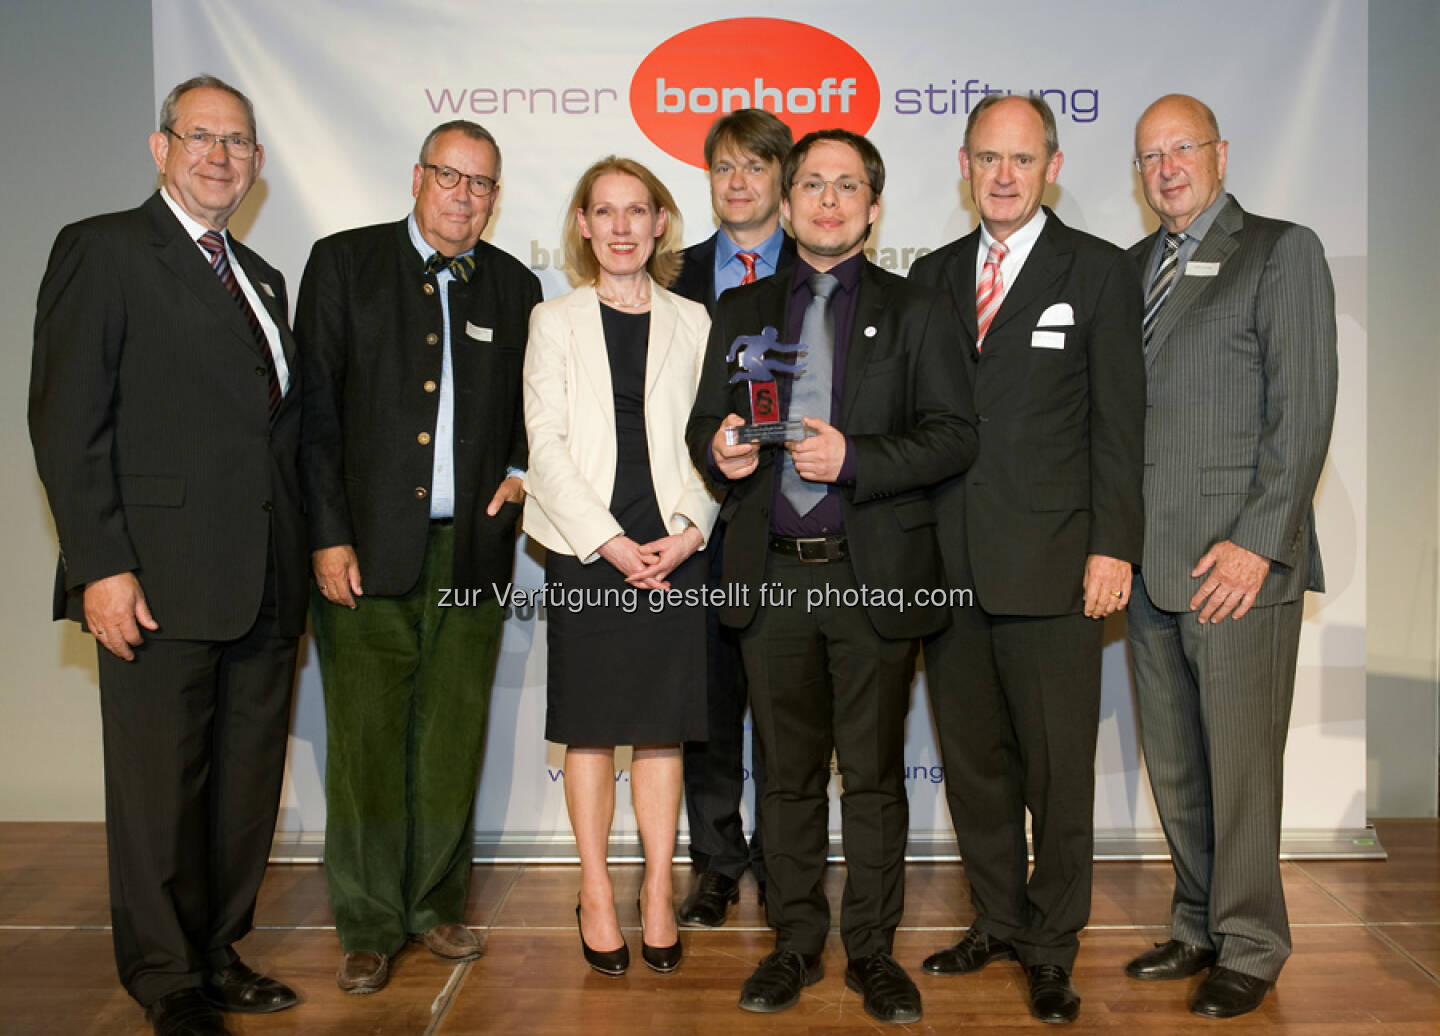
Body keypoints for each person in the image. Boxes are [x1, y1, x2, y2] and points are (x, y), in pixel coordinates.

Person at [29, 75, 304, 1036]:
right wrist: (99, 565)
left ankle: (218, 953)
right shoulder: (103, 251)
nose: (220, 156)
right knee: (158, 788)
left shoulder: (263, 278)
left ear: (258, 164)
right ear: (161, 148)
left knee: (239, 789)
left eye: (237, 142)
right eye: (201, 137)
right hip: (154, 577)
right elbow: (67, 426)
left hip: (264, 581)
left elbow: (275, 436)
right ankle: (163, 976)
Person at [686, 129, 977, 1024]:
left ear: (873, 206)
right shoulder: (740, 310)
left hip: (871, 574)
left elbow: (953, 435)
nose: (826, 200)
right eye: (811, 183)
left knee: (877, 778)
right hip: (769, 576)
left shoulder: (919, 307)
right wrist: (720, 450)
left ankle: (876, 954)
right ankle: (796, 945)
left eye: (846, 186)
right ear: (785, 196)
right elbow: (706, 421)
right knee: (785, 777)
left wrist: (856, 456)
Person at [908, 94, 1145, 1024]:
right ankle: (998, 921)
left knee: (1056, 773)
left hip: (1054, 567)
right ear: (965, 166)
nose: (1003, 176)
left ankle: (1052, 946)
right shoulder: (929, 276)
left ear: (1051, 166)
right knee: (976, 767)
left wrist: (1113, 545)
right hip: (948, 566)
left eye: (1022, 159)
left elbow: (1121, 425)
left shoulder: (1098, 270)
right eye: (987, 159)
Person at [296, 120, 541, 994]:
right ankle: (367, 923)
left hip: (471, 554)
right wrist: (326, 535)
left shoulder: (514, 285)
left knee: (449, 738)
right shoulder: (343, 264)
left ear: (495, 197)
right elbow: (314, 416)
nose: (464, 197)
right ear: (417, 178)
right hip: (360, 554)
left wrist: (518, 472)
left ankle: (435, 908)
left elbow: (532, 409)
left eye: (481, 185)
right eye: (450, 177)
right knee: (364, 741)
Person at [1122, 93, 1337, 1019]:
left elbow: (1305, 413)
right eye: (1150, 156)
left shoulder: (1282, 251)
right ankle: (1200, 922)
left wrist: (1257, 545)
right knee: (1175, 763)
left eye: (1182, 149)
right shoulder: (1128, 270)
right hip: (1146, 564)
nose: (1167, 167)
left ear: (1219, 153)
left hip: (1237, 568)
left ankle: (1252, 943)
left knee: (1241, 765)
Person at [522, 156, 718, 978]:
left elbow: (718, 437)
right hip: (585, 547)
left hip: (673, 545)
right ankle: (598, 890)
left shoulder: (697, 321)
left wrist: (690, 529)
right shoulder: (553, 321)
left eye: (637, 211)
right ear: (582, 226)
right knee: (594, 729)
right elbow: (547, 446)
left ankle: (660, 891)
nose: (622, 227)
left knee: (664, 729)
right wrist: (607, 542)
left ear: (661, 222)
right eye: (604, 212)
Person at [669, 108, 796, 927]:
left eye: (755, 166)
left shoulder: (822, 271)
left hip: (791, 527)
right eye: (723, 168)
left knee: (787, 710)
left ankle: (789, 866)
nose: (739, 182)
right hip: (692, 525)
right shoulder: (669, 275)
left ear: (783, 178)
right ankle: (715, 862)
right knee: (707, 709)